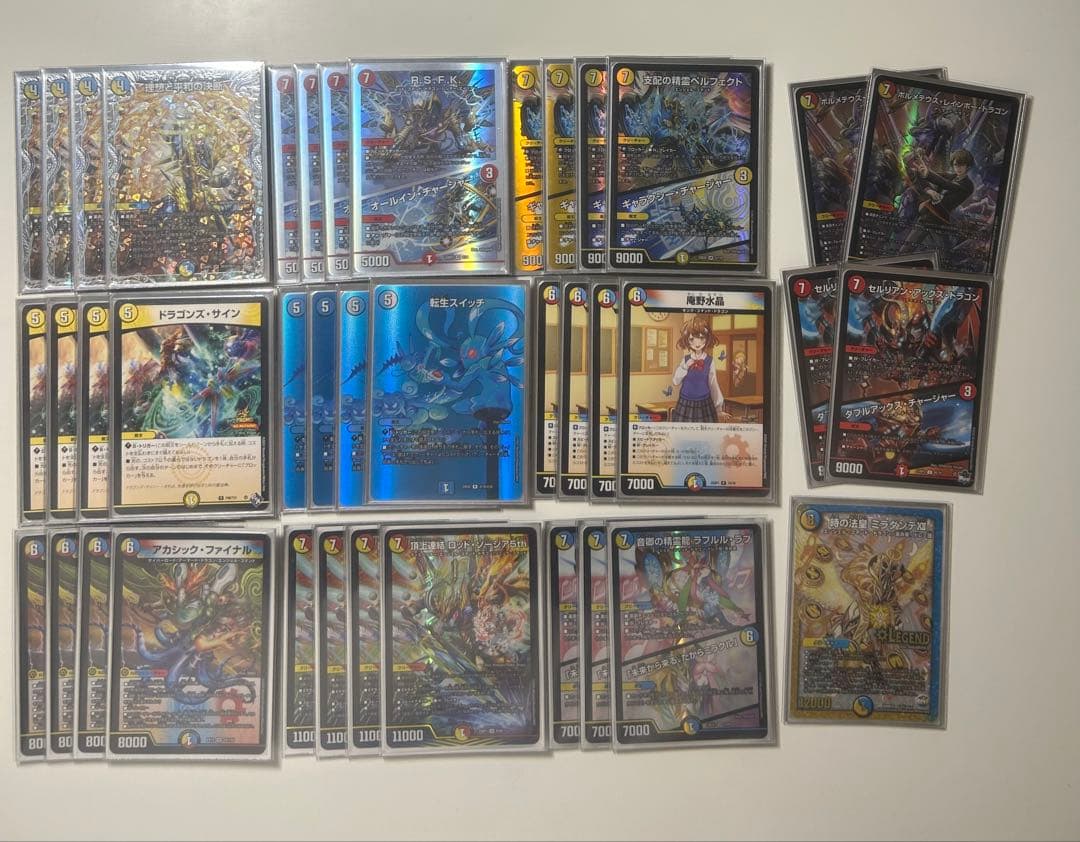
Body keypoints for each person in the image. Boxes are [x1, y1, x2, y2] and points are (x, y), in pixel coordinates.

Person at [903, 148, 975, 256]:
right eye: (956, 165)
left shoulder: (968, 185)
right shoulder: (953, 177)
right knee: (906, 250)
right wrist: (928, 188)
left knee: (944, 255)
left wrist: (928, 174)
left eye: (961, 165)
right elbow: (924, 177)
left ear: (967, 166)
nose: (958, 168)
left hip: (940, 221)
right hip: (929, 216)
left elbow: (946, 184)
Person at [671, 317, 728, 422]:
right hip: (685, 402)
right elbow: (675, 381)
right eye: (692, 339)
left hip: (704, 403)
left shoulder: (710, 361)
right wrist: (685, 367)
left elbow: (713, 384)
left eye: (701, 338)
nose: (697, 343)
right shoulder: (685, 360)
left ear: (707, 338)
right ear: (687, 339)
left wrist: (718, 408)